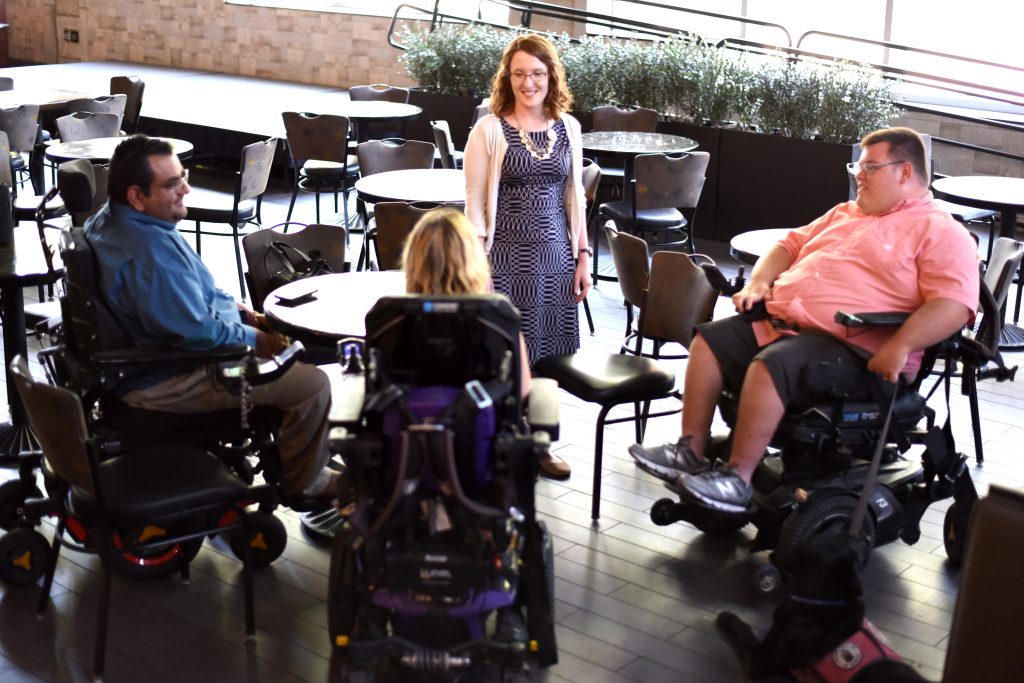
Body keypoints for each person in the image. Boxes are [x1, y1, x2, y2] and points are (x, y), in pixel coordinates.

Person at [629, 127, 980, 513]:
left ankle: (737, 478)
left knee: (773, 365)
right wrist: (760, 284)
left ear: (905, 172)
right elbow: (787, 246)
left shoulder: (941, 230)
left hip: (857, 347)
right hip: (788, 326)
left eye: (870, 167)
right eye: (857, 166)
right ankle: (690, 451)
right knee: (711, 341)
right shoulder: (846, 212)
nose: (858, 175)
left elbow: (953, 304)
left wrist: (901, 345)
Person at [84, 134, 336, 502]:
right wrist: (259, 341)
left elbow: (188, 306)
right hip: (181, 377)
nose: (186, 189)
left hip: (155, 367)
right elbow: (200, 333)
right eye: (172, 184)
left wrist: (242, 314)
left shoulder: (108, 223)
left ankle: (294, 454)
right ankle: (304, 483)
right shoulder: (148, 254)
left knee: (290, 357)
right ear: (137, 196)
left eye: (182, 177)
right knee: (311, 384)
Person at [464, 33, 589, 479]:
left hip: (556, 257)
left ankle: (541, 445)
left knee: (548, 359)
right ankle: (503, 440)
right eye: (519, 74)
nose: (528, 82)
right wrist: (477, 268)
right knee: (507, 355)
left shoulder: (568, 128)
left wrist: (583, 256)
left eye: (536, 73)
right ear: (508, 78)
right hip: (504, 258)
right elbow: (475, 206)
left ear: (550, 76)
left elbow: (575, 200)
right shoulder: (490, 129)